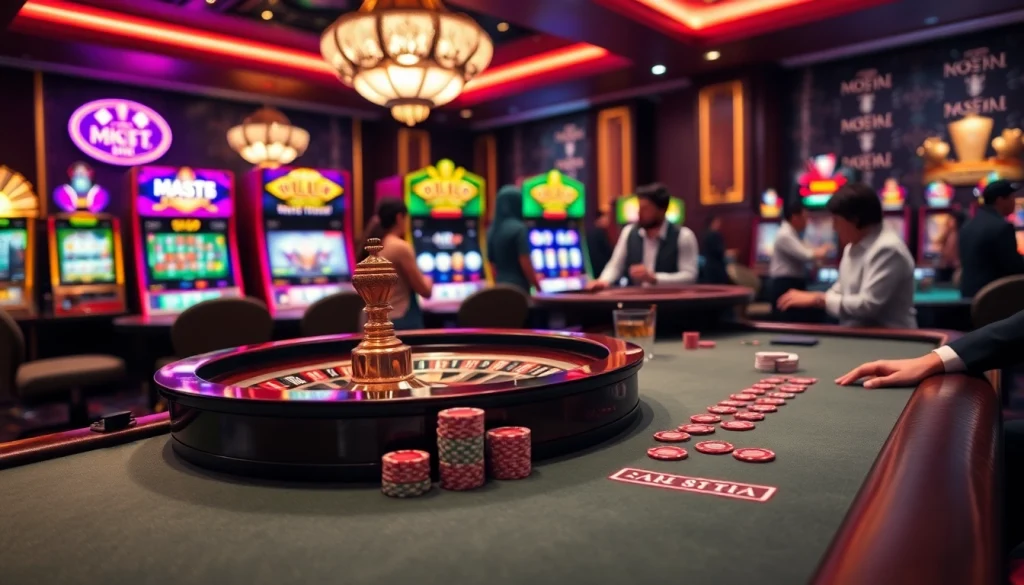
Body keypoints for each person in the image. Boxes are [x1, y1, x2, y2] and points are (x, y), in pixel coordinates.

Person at [776, 182, 916, 328]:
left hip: (892, 340)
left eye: (836, 221)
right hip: (858, 336)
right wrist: (820, 299)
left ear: (855, 220)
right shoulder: (852, 246)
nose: (834, 228)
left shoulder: (888, 249)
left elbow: (868, 306)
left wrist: (819, 299)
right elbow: (840, 289)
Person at [587, 183, 698, 289]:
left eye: (645, 208)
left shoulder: (684, 236)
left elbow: (690, 276)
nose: (639, 213)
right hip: (635, 300)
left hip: (669, 302)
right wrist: (603, 281)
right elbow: (615, 266)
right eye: (639, 207)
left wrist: (654, 278)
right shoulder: (629, 232)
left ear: (662, 210)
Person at [358, 198, 433, 329]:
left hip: (374, 320)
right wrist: (429, 279)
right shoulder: (399, 247)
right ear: (399, 217)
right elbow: (425, 291)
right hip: (400, 320)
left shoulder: (376, 243)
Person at [959, 180, 1024, 297]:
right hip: (992, 299)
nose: (1014, 202)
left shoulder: (968, 226)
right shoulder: (1002, 227)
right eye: (1012, 198)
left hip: (968, 296)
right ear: (1000, 200)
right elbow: (1014, 267)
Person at [768, 199, 830, 320]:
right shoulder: (784, 234)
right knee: (787, 322)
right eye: (805, 217)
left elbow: (809, 253)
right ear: (795, 217)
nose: (807, 222)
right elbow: (806, 255)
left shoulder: (793, 233)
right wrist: (823, 250)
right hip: (784, 284)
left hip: (793, 282)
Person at [486, 184, 540, 293]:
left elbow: (491, 265)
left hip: (500, 288)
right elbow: (525, 261)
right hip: (519, 289)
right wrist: (538, 286)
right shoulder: (520, 228)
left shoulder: (491, 230)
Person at [699, 214, 730, 285]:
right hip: (717, 268)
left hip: (707, 267)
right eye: (717, 222)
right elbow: (719, 251)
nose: (719, 224)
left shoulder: (705, 234)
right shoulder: (715, 235)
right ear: (713, 222)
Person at [935, 211, 963, 283]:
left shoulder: (960, 235)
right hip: (944, 266)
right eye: (949, 219)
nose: (950, 221)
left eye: (952, 219)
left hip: (955, 268)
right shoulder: (947, 234)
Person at [587, 207, 614, 277]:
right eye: (606, 217)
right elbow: (609, 253)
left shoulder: (591, 232)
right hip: (602, 270)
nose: (608, 220)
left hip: (593, 269)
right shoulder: (599, 232)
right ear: (600, 219)